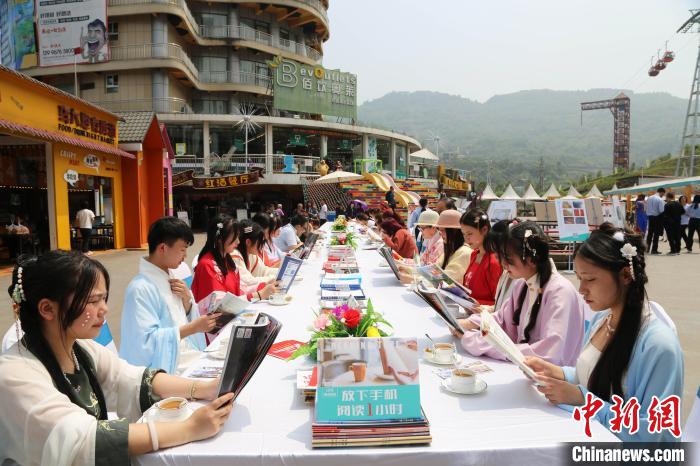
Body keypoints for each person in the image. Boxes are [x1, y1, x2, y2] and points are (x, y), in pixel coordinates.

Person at [0, 251, 234, 465]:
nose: (104, 309)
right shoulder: (15, 375)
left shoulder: (80, 348)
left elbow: (131, 378)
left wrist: (205, 388)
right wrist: (189, 428)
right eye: (92, 301)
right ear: (47, 309)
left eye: (104, 299)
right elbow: (83, 439)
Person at [524, 224, 683, 442]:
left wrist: (584, 400)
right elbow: (596, 376)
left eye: (590, 279)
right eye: (579, 278)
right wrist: (558, 373)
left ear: (626, 275)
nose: (581, 289)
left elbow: (652, 432)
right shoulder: (602, 319)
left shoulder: (658, 345)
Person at [458, 222, 585, 366]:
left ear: (531, 259)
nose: (503, 264)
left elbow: (549, 354)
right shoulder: (522, 284)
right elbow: (502, 319)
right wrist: (470, 323)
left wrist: (476, 342)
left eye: (508, 258)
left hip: (551, 381)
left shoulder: (560, 292)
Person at [120, 217, 215, 374]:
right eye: (182, 249)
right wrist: (193, 328)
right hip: (165, 367)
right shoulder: (139, 289)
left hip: (183, 355)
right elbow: (144, 344)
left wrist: (187, 302)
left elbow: (179, 318)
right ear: (163, 248)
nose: (185, 256)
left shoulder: (170, 276)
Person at [191, 215, 277, 304]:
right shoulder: (207, 265)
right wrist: (259, 294)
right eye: (234, 237)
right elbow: (219, 305)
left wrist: (263, 286)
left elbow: (241, 288)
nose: (238, 242)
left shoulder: (227, 260)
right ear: (220, 239)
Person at [459, 209, 502, 306]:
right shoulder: (474, 254)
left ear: (484, 230)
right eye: (463, 234)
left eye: (470, 233)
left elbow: (499, 304)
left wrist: (473, 304)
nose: (466, 238)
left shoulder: (494, 262)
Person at [482, 219, 518, 312]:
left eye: (505, 256)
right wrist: (484, 309)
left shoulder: (524, 279)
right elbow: (502, 309)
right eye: (497, 256)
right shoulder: (506, 273)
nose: (502, 262)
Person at [231, 220, 279, 288]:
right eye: (260, 242)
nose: (262, 246)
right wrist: (272, 278)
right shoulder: (235, 255)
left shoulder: (251, 254)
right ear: (248, 242)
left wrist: (281, 272)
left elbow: (264, 271)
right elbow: (248, 282)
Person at [434, 209, 472, 283]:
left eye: (443, 230)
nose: (440, 233)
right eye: (439, 230)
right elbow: (435, 269)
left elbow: (446, 279)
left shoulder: (465, 252)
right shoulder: (450, 250)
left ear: (454, 232)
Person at [645, 187, 666, 254]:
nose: (663, 195)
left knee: (650, 234)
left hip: (650, 217)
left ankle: (647, 249)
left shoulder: (649, 198)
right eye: (663, 194)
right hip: (657, 218)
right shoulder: (660, 199)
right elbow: (661, 210)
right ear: (662, 192)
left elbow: (645, 208)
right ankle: (654, 250)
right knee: (656, 234)